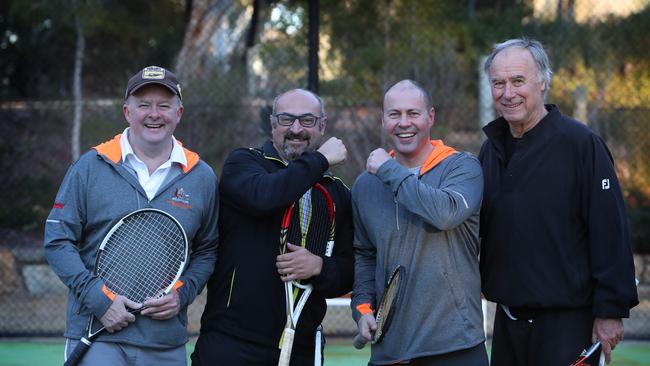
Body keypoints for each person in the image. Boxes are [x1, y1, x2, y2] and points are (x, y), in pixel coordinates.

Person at [44, 66, 219, 366]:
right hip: (98, 333)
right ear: (127, 112)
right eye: (144, 105)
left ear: (179, 113)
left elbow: (208, 249)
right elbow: (58, 240)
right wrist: (100, 301)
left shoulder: (201, 176)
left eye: (164, 105)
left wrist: (182, 294)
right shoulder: (90, 166)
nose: (154, 114)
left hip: (165, 342)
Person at [479, 38, 639, 366]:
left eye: (518, 81)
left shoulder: (581, 145)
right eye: (498, 83)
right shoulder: (490, 151)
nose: (508, 93)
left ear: (543, 81)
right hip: (507, 325)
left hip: (568, 326)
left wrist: (609, 311)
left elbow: (610, 232)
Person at [191, 88, 354, 365]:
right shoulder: (244, 163)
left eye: (307, 120)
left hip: (301, 349)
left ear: (322, 125)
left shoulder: (337, 193)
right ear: (273, 123)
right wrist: (320, 160)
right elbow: (264, 197)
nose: (296, 129)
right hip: (230, 344)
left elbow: (350, 270)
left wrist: (319, 267)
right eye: (287, 119)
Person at [351, 80, 488, 366]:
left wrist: (389, 171)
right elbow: (365, 254)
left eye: (413, 113)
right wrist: (362, 308)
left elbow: (445, 214)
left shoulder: (463, 167)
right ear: (383, 120)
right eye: (394, 114)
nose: (404, 123)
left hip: (456, 348)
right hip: (391, 351)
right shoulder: (365, 185)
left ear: (430, 117)